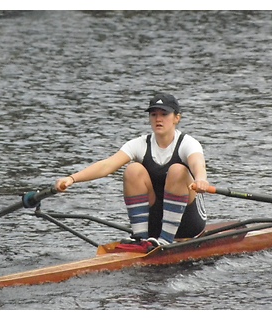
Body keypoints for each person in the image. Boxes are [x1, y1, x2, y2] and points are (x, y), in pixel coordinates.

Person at [56, 93, 210, 246]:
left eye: (164, 114)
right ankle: (140, 238)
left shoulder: (188, 143)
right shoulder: (140, 144)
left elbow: (198, 164)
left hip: (188, 224)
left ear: (177, 118)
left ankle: (166, 241)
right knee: (133, 169)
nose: (158, 119)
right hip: (155, 222)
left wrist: (200, 179)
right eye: (154, 114)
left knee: (177, 170)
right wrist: (72, 178)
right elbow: (107, 165)